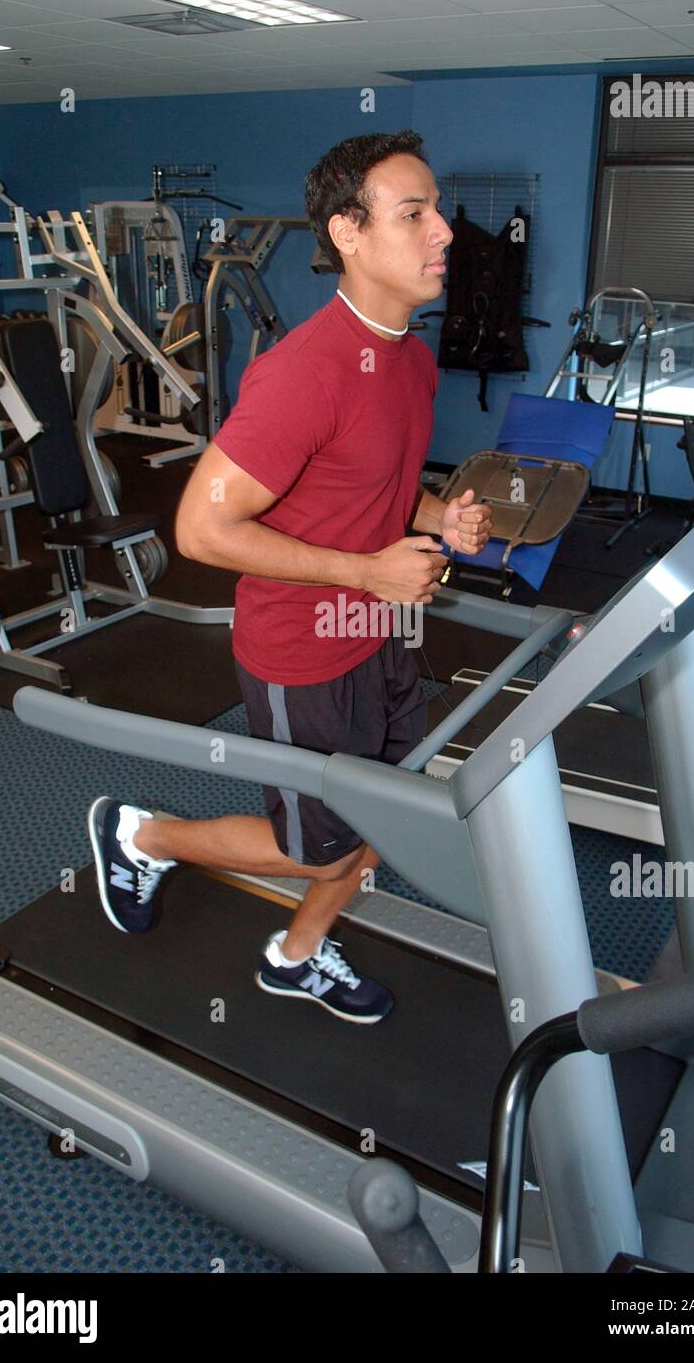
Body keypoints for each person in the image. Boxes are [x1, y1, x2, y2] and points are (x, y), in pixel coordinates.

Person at [88, 129, 493, 1024]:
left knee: (382, 824)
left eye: (438, 212)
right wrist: (366, 571)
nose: (444, 233)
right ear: (348, 233)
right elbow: (199, 528)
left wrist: (437, 517)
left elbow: (374, 486)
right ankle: (143, 835)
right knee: (314, 849)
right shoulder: (303, 372)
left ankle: (293, 954)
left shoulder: (410, 359)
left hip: (381, 635)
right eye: (413, 213)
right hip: (302, 650)